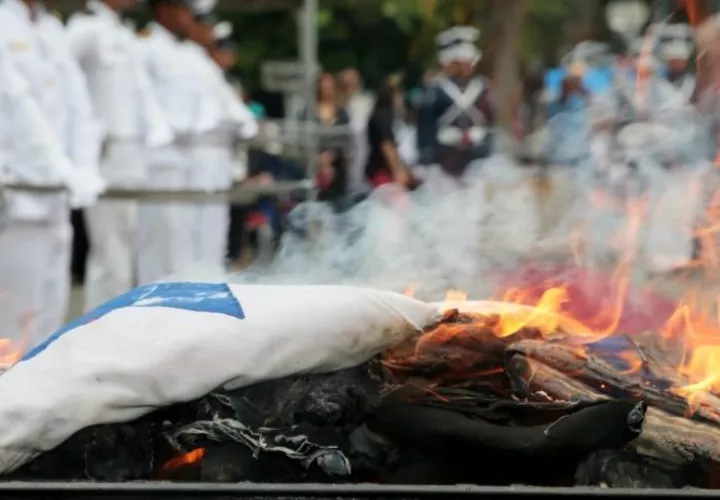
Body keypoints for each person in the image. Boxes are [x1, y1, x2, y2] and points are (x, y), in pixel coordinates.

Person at [0, 0, 104, 346]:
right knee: (12, 321)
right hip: (18, 193)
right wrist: (61, 169)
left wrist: (85, 166)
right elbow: (15, 105)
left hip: (57, 195)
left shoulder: (52, 28)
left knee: (50, 316)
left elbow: (79, 105)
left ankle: (37, 397)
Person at [67, 0, 174, 311]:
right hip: (106, 150)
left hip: (133, 152)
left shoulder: (122, 32)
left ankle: (116, 321)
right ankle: (100, 326)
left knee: (127, 248)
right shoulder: (85, 28)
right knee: (110, 252)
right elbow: (57, 83)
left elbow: (141, 94)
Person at [184, 6, 257, 273]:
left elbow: (240, 118)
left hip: (216, 157)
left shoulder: (206, 66)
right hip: (195, 155)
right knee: (192, 233)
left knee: (213, 232)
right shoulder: (187, 59)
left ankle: (208, 282)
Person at [136, 0, 202, 284]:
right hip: (158, 156)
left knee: (180, 239)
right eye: (183, 9)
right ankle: (150, 308)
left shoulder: (180, 50)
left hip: (184, 156)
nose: (188, 17)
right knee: (157, 240)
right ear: (164, 9)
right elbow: (141, 100)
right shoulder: (145, 46)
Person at [416, 26, 494, 178]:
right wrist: (427, 157)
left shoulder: (483, 88)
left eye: (469, 61)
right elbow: (425, 128)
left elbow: (490, 123)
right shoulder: (435, 90)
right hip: (444, 157)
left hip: (477, 157)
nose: (466, 65)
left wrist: (486, 146)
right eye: (461, 61)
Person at [300, 72, 350, 204]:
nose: (327, 90)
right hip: (315, 168)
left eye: (330, 87)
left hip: (338, 169)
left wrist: (331, 157)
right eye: (324, 87)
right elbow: (303, 139)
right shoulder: (308, 113)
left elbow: (346, 138)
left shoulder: (341, 112)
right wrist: (320, 160)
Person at [364, 78, 414, 188]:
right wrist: (398, 171)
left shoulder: (380, 115)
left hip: (378, 168)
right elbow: (386, 145)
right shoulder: (384, 117)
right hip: (382, 169)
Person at [338, 67, 374, 195]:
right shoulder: (338, 107)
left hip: (365, 155)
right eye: (345, 85)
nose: (349, 88)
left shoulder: (367, 102)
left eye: (352, 84)